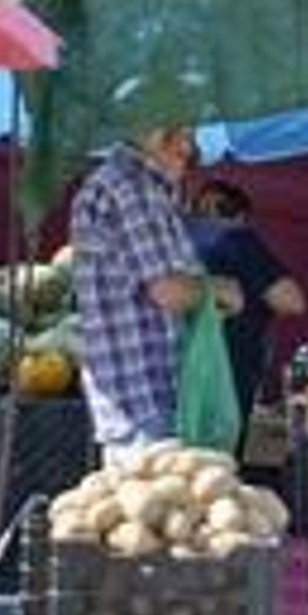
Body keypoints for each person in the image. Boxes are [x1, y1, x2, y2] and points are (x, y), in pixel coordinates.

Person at [71, 127, 242, 465]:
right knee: (160, 514)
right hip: (147, 407)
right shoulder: (130, 186)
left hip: (148, 408)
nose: (188, 147)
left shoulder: (151, 191)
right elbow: (168, 291)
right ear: (143, 125)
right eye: (176, 131)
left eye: (190, 134)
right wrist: (221, 290)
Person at [183, 180, 307, 452]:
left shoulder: (170, 237)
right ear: (240, 216)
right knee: (214, 473)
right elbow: (292, 301)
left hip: (166, 383)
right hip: (223, 379)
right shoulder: (236, 238)